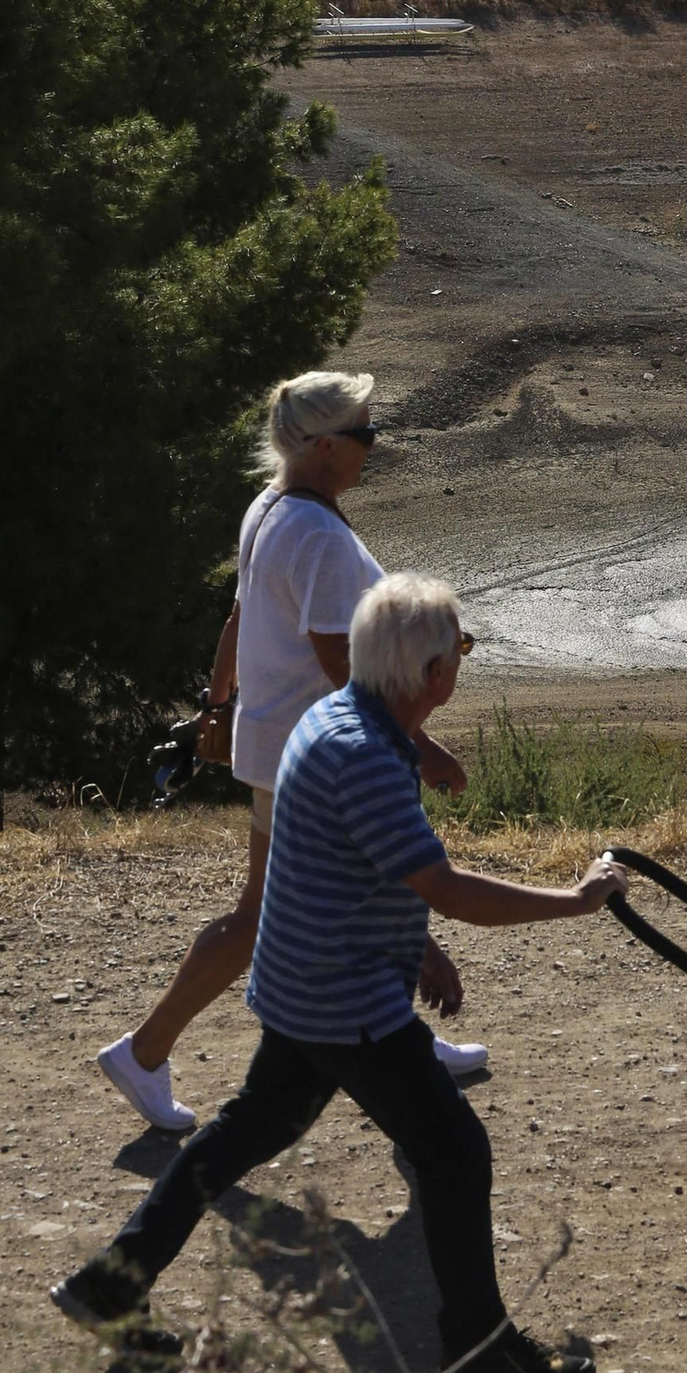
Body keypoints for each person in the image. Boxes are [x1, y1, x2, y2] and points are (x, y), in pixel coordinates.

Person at [58, 573, 628, 1373]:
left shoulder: (333, 721)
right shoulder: (368, 754)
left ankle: (111, 1282)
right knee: (455, 1152)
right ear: (434, 675)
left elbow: (345, 868)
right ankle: (477, 1351)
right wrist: (577, 901)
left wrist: (417, 939)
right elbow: (451, 886)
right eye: (459, 649)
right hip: (345, 1003)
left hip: (300, 985)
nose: (460, 662)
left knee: (243, 1134)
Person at [99, 370, 484, 1133]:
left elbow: (240, 616)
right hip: (321, 760)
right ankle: (142, 1052)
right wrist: (422, 744)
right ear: (327, 445)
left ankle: (405, 1046)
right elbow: (343, 661)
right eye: (367, 435)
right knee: (262, 918)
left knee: (350, 899)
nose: (374, 448)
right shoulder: (319, 537)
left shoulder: (272, 508)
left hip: (283, 745)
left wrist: (217, 703)